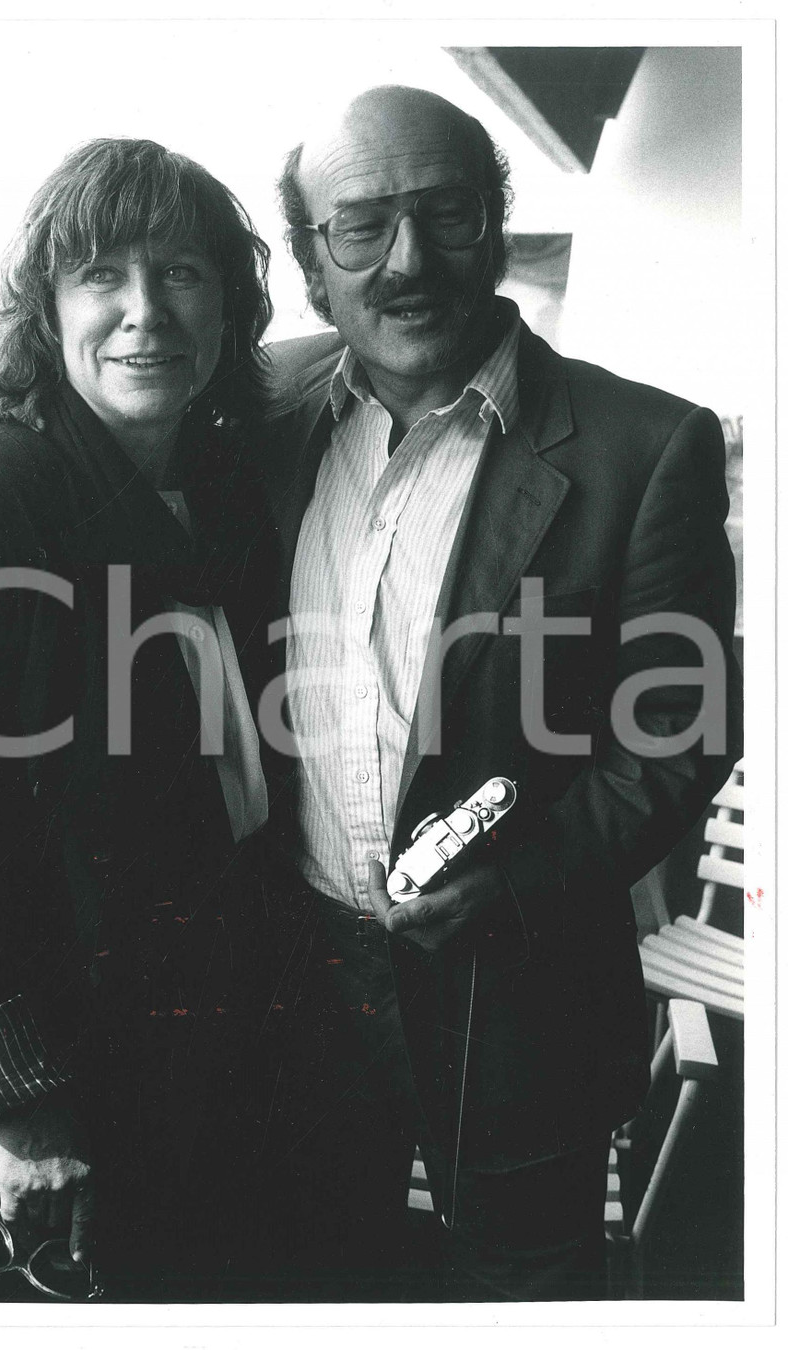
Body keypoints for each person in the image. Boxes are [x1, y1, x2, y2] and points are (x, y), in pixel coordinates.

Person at [254, 85, 742, 1301]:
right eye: (360, 226)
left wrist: (516, 883)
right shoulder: (258, 415)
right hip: (299, 999)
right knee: (317, 1291)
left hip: (525, 1008)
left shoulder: (645, 448)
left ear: (496, 221)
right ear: (312, 262)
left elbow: (676, 735)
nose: (406, 259)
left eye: (446, 212)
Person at [0, 137, 278, 1300]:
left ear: (230, 306)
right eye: (102, 277)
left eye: (182, 275)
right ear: (46, 311)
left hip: (218, 1039)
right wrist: (22, 1106)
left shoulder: (221, 494)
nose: (146, 313)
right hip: (61, 1084)